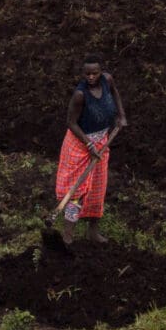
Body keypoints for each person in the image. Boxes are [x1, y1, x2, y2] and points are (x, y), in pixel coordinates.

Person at [56, 60, 126, 243]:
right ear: (83, 74)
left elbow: (115, 94)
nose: (91, 77)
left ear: (101, 72)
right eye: (87, 74)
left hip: (102, 142)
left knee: (97, 188)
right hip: (79, 145)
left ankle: (93, 232)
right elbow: (70, 123)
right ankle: (68, 235)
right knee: (76, 191)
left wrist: (121, 115)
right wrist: (89, 145)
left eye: (94, 73)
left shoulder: (107, 80)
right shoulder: (80, 95)